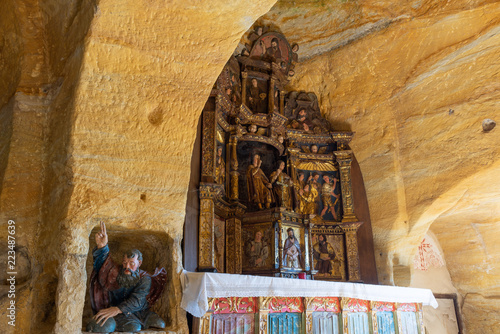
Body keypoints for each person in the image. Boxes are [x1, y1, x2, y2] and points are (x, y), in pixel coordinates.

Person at [87, 222, 167, 333]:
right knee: (133, 327)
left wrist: (117, 309)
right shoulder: (116, 273)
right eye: (124, 263)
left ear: (139, 263)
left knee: (159, 324)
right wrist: (102, 247)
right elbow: (104, 266)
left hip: (140, 312)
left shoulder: (144, 278)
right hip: (117, 313)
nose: (127, 267)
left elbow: (137, 300)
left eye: (131, 263)